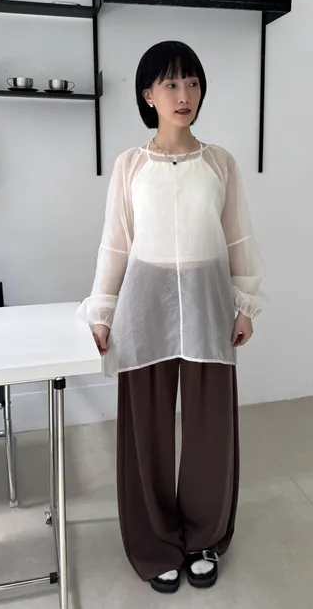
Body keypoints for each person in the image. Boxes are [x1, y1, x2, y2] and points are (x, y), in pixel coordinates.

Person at [78, 40, 266, 594]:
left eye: (193, 83)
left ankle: (204, 535)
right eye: (171, 84)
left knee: (211, 427)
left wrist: (245, 303)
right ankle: (154, 541)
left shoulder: (220, 162)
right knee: (146, 430)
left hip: (209, 300)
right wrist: (103, 310)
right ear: (148, 95)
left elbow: (239, 236)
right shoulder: (130, 165)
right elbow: (115, 243)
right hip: (144, 304)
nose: (184, 95)